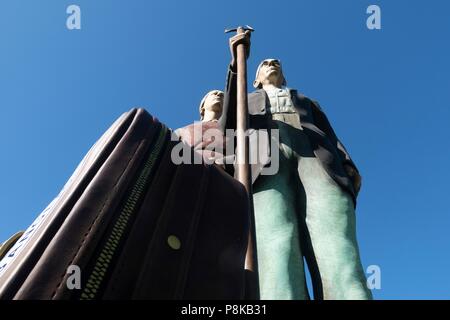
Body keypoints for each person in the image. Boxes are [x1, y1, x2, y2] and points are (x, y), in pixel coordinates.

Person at [219, 31, 372, 300]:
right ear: (254, 79)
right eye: (264, 63)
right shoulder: (247, 99)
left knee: (336, 241)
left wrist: (347, 163)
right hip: (265, 163)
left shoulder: (306, 102)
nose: (272, 62)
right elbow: (227, 123)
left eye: (276, 62)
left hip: (315, 157)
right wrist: (235, 66)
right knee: (276, 242)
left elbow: (330, 134)